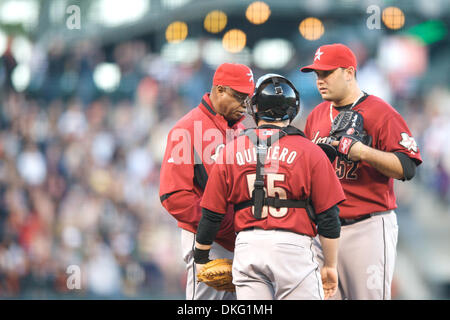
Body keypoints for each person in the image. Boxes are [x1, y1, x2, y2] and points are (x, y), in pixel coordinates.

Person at [193, 74, 346, 300]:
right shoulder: (311, 151)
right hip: (292, 248)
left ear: (254, 108)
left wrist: (200, 257)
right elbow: (329, 218)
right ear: (293, 111)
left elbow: (211, 215)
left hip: (247, 246)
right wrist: (330, 266)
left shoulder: (229, 151)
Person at [300, 43, 423, 300]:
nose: (320, 81)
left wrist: (363, 152)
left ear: (349, 72)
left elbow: (408, 167)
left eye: (327, 73)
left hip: (366, 226)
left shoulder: (381, 112)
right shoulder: (316, 115)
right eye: (317, 75)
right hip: (324, 230)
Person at [159, 63, 255, 300]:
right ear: (220, 90)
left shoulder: (243, 131)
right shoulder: (187, 129)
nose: (245, 105)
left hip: (241, 240)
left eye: (248, 98)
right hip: (206, 242)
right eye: (240, 96)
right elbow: (173, 196)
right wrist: (217, 226)